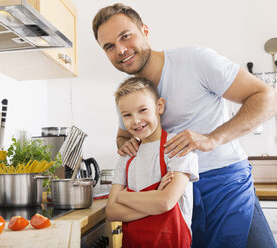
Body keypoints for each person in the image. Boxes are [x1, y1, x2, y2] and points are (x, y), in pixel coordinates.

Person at [92, 3, 277, 248]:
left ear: (145, 30)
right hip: (174, 197)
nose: (121, 50)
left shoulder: (194, 60)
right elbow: (123, 137)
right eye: (109, 46)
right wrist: (125, 146)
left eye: (125, 36)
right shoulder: (130, 93)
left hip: (224, 187)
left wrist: (212, 139)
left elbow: (267, 97)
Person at [108, 76, 199, 247]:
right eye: (127, 115)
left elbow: (165, 202)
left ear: (159, 106)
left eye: (143, 110)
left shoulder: (177, 147)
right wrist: (155, 196)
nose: (135, 120)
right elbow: (112, 212)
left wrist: (123, 196)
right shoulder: (127, 155)